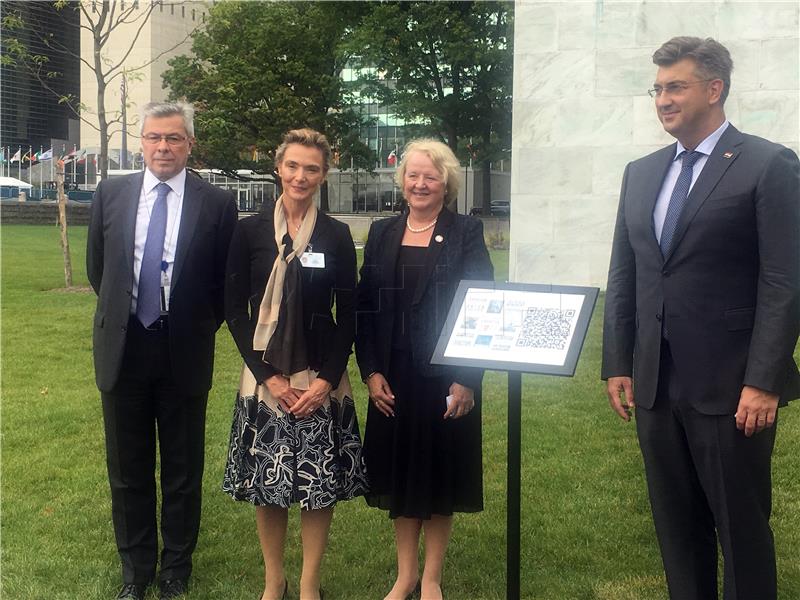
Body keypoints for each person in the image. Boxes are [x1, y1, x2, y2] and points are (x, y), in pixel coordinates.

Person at [602, 36, 800, 600]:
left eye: (676, 87)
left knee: (740, 531)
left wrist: (763, 380)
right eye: (658, 88)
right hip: (657, 385)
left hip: (731, 387)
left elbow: (784, 281)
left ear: (714, 90)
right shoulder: (641, 172)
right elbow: (628, 275)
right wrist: (619, 362)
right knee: (677, 529)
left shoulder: (768, 164)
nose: (662, 99)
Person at [87, 101, 237, 600]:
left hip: (182, 351)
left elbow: (224, 285)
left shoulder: (216, 204)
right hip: (124, 349)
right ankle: (136, 572)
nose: (162, 147)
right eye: (153, 138)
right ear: (142, 141)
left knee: (181, 469)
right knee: (127, 472)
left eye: (173, 138)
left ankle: (175, 569)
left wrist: (191, 324)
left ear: (190, 144)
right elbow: (98, 270)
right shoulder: (111, 193)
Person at [222, 128, 368, 600]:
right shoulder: (248, 231)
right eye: (292, 166)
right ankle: (274, 580)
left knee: (317, 483)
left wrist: (326, 380)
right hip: (266, 376)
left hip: (318, 374)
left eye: (311, 168)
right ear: (279, 168)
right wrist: (269, 378)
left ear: (323, 175)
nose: (300, 176)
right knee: (268, 483)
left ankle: (308, 584)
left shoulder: (336, 234)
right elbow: (233, 310)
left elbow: (349, 313)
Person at [355, 139, 494, 600]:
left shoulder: (466, 231)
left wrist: (467, 378)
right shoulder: (381, 232)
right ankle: (405, 575)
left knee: (438, 475)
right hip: (392, 376)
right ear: (402, 180)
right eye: (412, 175)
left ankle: (431, 578)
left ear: (446, 183)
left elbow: (481, 307)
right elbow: (365, 309)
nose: (419, 184)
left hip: (445, 378)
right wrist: (371, 371)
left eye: (429, 177)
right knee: (399, 476)